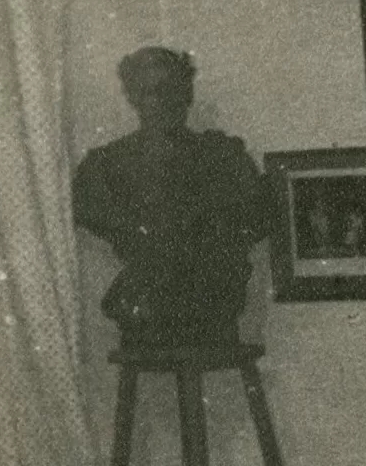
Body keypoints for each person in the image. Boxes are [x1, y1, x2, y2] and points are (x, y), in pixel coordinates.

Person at [71, 46, 267, 349]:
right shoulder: (106, 164)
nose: (163, 101)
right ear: (133, 98)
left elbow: (256, 218)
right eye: (149, 91)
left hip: (213, 303)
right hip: (145, 303)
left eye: (173, 89)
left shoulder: (224, 156)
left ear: (187, 93)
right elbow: (91, 212)